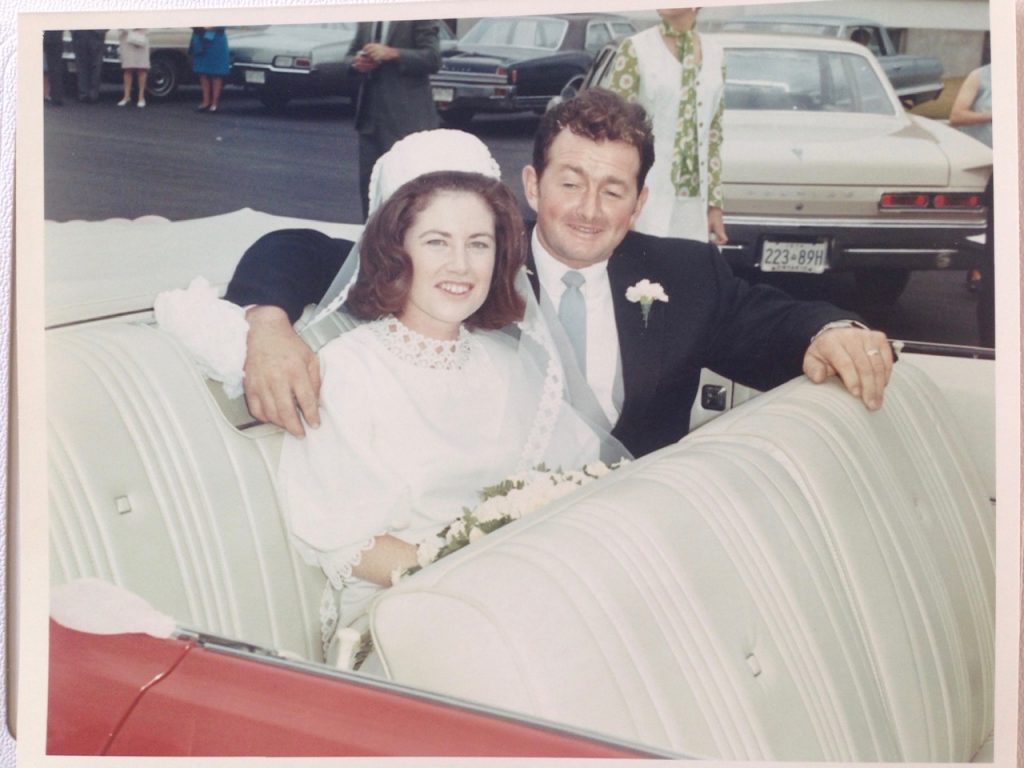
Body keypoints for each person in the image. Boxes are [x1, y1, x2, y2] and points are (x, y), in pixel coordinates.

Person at [225, 88, 894, 458]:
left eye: (612, 190)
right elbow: (303, 251)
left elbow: (773, 323)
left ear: (639, 204)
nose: (587, 210)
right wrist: (269, 328)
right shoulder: (478, 256)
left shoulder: (686, 273)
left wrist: (832, 329)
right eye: (570, 182)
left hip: (639, 531)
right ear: (532, 184)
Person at [272, 133, 624, 663]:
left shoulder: (509, 365)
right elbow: (346, 540)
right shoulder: (350, 370)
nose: (461, 266)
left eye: (478, 244)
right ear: (396, 251)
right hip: (399, 610)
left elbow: (575, 475)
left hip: (514, 595)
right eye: (437, 242)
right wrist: (473, 587)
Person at [606, 7, 726, 244]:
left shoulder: (716, 54)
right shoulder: (636, 49)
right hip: (645, 196)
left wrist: (715, 206)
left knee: (688, 275)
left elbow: (714, 134)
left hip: (694, 205)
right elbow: (614, 131)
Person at [344, 19, 443, 219]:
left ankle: (404, 245)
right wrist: (357, 63)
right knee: (371, 191)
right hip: (370, 120)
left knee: (406, 191)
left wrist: (392, 53)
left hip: (407, 120)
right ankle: (369, 243)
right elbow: (349, 55)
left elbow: (433, 59)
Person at [949, 63, 994, 346]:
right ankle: (979, 270)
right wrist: (997, 115)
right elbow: (956, 115)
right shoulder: (982, 76)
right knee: (988, 226)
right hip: (989, 164)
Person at [190, 27, 230, 112]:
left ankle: (215, 103)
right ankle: (206, 102)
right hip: (200, 40)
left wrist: (207, 26)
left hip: (216, 41)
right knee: (202, 73)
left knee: (216, 73)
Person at [117, 28, 150, 108]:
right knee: (128, 69)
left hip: (141, 37)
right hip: (126, 38)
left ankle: (141, 97)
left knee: (141, 68)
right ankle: (126, 96)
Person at [71, 29, 106, 103]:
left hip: (97, 35)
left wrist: (102, 31)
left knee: (96, 66)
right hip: (80, 33)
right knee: (81, 65)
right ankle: (83, 94)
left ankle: (93, 94)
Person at [43, 30, 66, 106]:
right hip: (57, 39)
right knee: (56, 69)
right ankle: (57, 96)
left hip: (47, 39)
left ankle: (53, 95)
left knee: (51, 69)